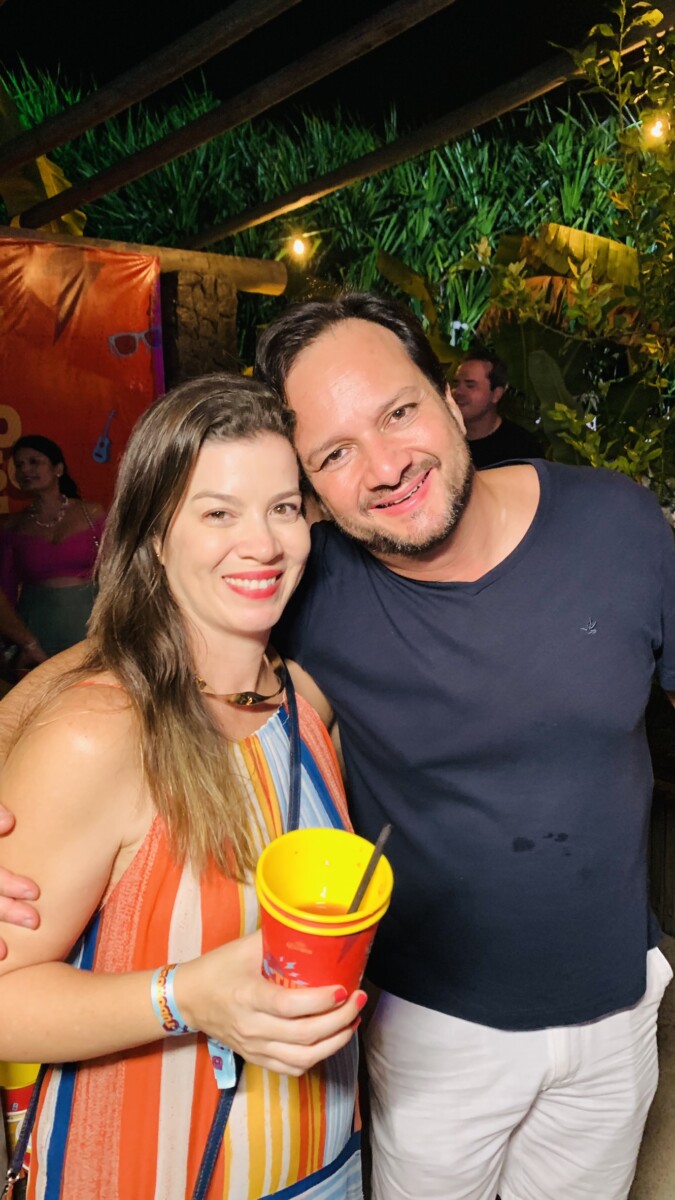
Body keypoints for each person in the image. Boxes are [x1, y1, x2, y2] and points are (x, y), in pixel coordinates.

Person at [3, 294, 674, 1200]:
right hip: (424, 1028)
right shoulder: (311, 591)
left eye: (396, 412)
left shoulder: (615, 525)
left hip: (605, 1010)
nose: (385, 467)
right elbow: (119, 658)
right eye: (333, 454)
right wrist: (15, 765)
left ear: (450, 397)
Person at [0, 375, 363, 1198]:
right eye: (218, 513)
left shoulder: (302, 705)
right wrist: (184, 997)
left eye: (282, 507)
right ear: (155, 537)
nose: (263, 543)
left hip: (325, 1164)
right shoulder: (101, 733)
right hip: (148, 1173)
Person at [0, 435, 105, 660]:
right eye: (19, 465)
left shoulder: (92, 514)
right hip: (36, 635)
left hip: (91, 627)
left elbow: (119, 573)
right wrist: (24, 642)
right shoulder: (13, 526)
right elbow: (5, 592)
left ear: (58, 469)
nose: (25, 470)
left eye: (34, 462)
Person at [452, 349, 544, 467]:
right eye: (456, 384)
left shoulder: (522, 447)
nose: (458, 392)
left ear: (496, 394)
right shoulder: (444, 439)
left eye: (470, 385)